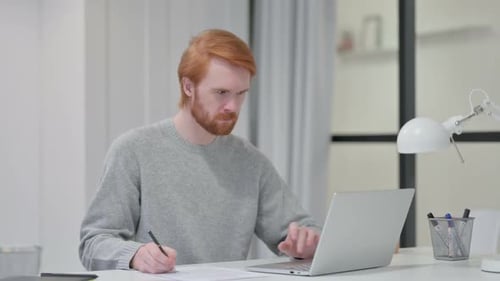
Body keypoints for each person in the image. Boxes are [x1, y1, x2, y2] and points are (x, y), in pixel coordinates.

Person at [79, 29, 321, 274]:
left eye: (241, 94)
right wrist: (136, 255)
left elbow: (303, 231)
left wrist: (307, 243)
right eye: (221, 93)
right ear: (188, 86)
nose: (233, 107)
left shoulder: (250, 162)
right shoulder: (133, 150)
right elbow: (93, 243)